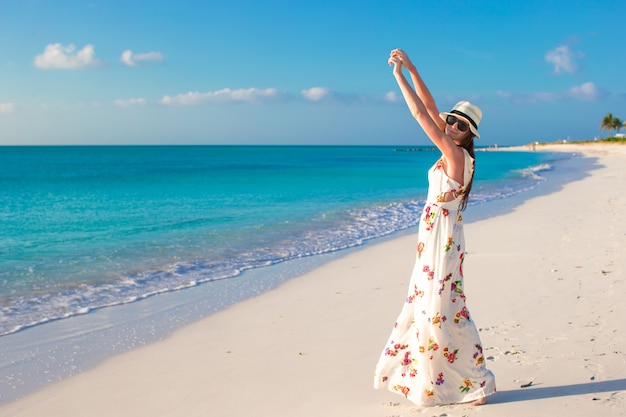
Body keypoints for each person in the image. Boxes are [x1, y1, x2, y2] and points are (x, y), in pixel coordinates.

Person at [373, 49, 496, 407]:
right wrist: (412, 68)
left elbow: (420, 115)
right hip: (434, 240)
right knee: (433, 308)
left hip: (442, 242)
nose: (452, 126)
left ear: (468, 134)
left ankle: (476, 381)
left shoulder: (456, 155)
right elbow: (429, 107)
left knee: (442, 310)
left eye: (461, 125)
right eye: (452, 121)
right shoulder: (454, 151)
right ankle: (444, 381)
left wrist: (396, 76)